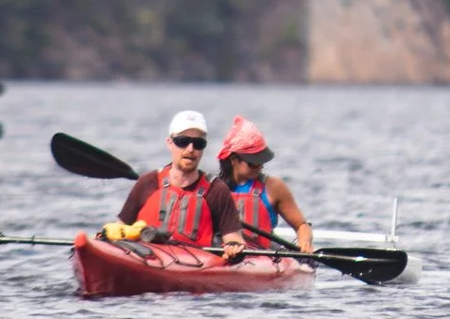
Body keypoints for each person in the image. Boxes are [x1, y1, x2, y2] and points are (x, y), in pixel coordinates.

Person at [102, 110, 246, 259]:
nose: (190, 149)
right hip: (144, 257)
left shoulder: (216, 190)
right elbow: (120, 228)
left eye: (198, 143)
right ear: (170, 143)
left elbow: (234, 239)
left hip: (197, 264)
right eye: (182, 141)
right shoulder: (148, 183)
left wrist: (233, 248)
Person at [215, 116, 314, 254]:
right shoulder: (213, 188)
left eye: (261, 161)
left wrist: (304, 241)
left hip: (262, 255)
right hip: (222, 253)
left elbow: (302, 225)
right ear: (233, 160)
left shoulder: (274, 187)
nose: (260, 166)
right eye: (253, 162)